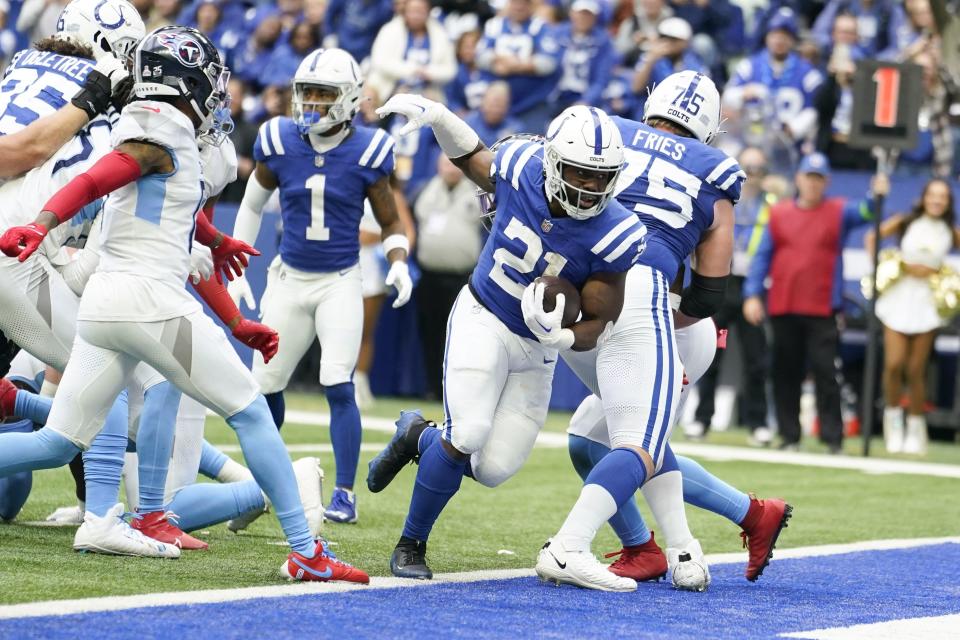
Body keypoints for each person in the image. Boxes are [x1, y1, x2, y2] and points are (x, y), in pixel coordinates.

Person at [0, 26, 368, 583]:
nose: (216, 96)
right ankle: (305, 551)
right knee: (248, 411)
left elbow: (160, 194)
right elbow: (107, 175)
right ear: (187, 81)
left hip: (105, 308)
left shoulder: (153, 135)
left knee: (58, 442)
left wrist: (219, 246)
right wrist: (41, 222)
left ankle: (122, 517)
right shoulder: (158, 133)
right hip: (149, 302)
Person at [366, 98, 648, 580]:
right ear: (555, 162)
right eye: (580, 173)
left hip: (537, 350)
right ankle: (411, 543)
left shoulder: (617, 231)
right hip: (485, 314)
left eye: (601, 177)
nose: (590, 187)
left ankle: (419, 435)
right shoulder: (523, 166)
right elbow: (471, 155)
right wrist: (438, 115)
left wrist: (560, 337)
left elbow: (599, 319)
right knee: (469, 433)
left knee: (494, 468)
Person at [543, 71, 786, 592]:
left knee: (628, 437)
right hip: (661, 308)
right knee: (599, 439)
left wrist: (643, 315)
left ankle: (649, 548)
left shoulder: (608, 134)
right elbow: (710, 291)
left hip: (641, 314)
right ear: (709, 126)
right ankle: (691, 542)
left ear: (653, 102)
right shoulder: (714, 170)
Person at [226, 47, 414, 525]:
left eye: (322, 94)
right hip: (288, 279)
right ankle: (260, 489)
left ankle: (345, 493)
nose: (309, 103)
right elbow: (250, 206)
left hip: (339, 282)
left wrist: (397, 260)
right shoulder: (278, 139)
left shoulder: (368, 149)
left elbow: (391, 220)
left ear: (348, 99)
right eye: (305, 92)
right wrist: (238, 265)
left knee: (337, 383)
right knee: (264, 385)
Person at [743, 152, 890, 453]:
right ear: (799, 179)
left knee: (826, 373)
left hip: (823, 307)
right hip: (784, 304)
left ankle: (833, 438)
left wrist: (876, 195)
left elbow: (866, 212)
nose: (813, 184)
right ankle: (789, 435)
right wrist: (752, 294)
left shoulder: (837, 212)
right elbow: (762, 257)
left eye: (818, 179)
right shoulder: (780, 214)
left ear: (826, 182)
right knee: (785, 373)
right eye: (809, 177)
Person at [688, 147, 774, 445]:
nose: (752, 174)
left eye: (758, 169)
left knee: (755, 360)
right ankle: (701, 419)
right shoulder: (724, 201)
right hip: (722, 286)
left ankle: (758, 423)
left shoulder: (771, 207)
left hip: (753, 289)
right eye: (747, 167)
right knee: (712, 352)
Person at [867, 179, 957, 455]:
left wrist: (945, 277)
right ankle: (893, 423)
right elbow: (873, 238)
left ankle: (917, 428)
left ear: (948, 202)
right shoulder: (906, 222)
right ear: (924, 197)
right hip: (898, 298)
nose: (937, 201)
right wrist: (887, 267)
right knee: (894, 364)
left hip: (927, 303)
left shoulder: (950, 231)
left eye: (943, 197)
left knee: (916, 370)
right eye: (933, 195)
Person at [414, 155, 484, 401]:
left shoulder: (478, 193)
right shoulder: (424, 190)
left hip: (461, 278)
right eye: (445, 164)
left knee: (460, 336)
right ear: (437, 166)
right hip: (429, 276)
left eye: (454, 164)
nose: (450, 169)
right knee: (430, 334)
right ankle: (433, 387)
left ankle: (457, 391)